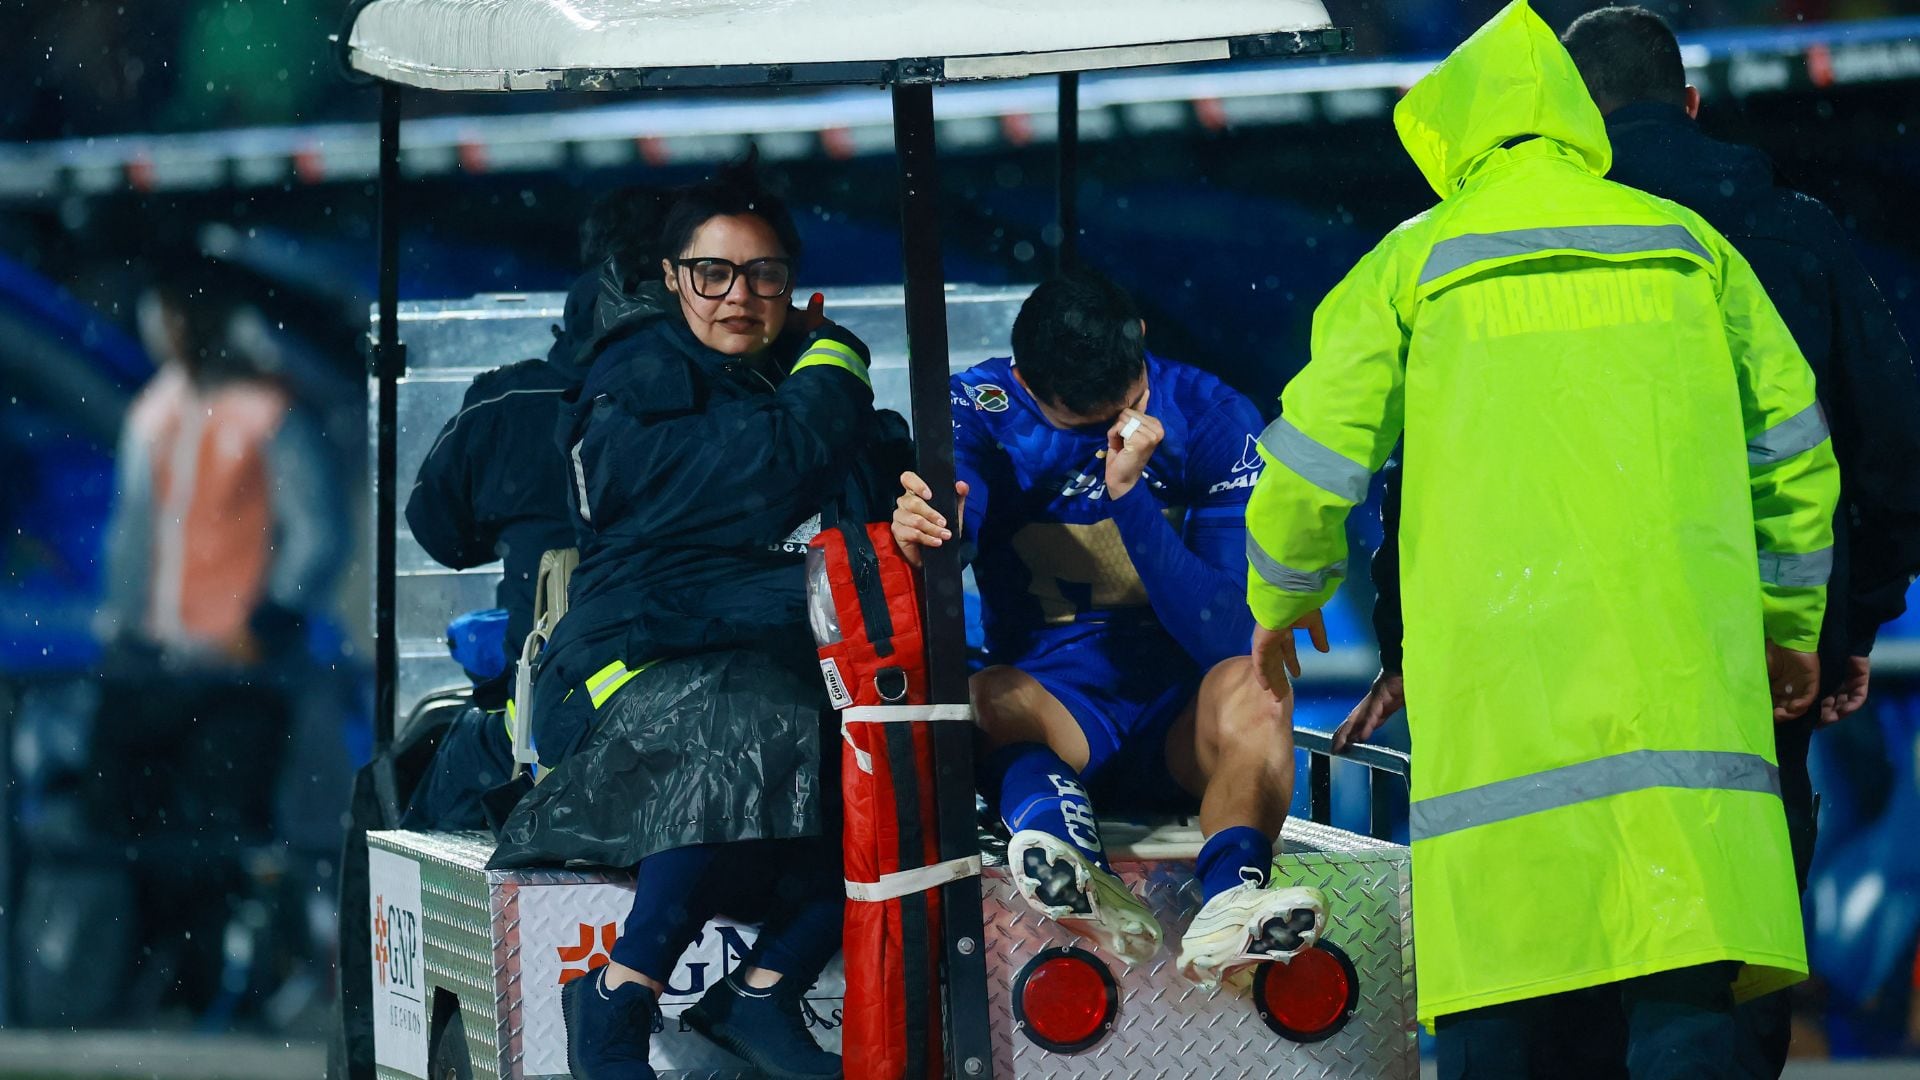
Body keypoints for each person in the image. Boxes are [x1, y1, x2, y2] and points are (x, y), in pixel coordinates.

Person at [1242, 3, 1838, 1077]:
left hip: (1501, 725)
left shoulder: (1414, 266)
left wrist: (1280, 605)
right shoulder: (1690, 249)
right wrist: (1789, 628)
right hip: (1681, 712)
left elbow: (1309, 466)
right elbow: (1794, 457)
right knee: (1684, 1005)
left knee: (1501, 1021)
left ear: (1452, 132)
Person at [485, 160, 907, 1080]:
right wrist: (836, 358)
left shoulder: (817, 396)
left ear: (792, 284)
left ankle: (759, 991)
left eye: (764, 275)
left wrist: (916, 510)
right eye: (712, 273)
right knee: (743, 714)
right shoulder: (636, 379)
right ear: (673, 277)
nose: (738, 297)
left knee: (893, 761)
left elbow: (875, 494)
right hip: (622, 670)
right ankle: (620, 993)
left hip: (778, 670)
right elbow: (764, 471)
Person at [890, 268, 1325, 986]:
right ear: (1025, 381)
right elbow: (956, 514)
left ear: (1141, 349)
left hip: (1185, 727)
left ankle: (1232, 900)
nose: (1109, 434)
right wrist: (933, 525)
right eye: (1079, 423)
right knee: (984, 694)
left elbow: (1223, 633)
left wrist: (1129, 497)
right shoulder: (979, 407)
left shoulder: (1212, 416)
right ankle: (1076, 866)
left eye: (1123, 408)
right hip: (1061, 713)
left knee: (1258, 677)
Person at [94, 257, 345, 1010]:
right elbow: (133, 537)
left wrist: (268, 621)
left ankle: (216, 987)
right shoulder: (154, 411)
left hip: (237, 670)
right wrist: (123, 626)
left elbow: (316, 532)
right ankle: (158, 976)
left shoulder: (265, 411)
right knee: (128, 826)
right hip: (158, 660)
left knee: (220, 828)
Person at [400, 187, 669, 828]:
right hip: (701, 732)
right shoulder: (747, 407)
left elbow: (438, 529)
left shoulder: (508, 402)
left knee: (417, 809)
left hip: (527, 742)